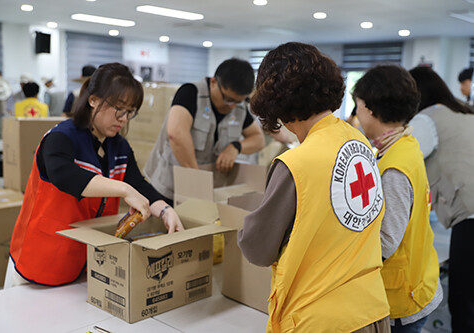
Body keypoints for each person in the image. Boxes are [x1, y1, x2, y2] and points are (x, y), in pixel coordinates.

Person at [238, 42, 390, 332]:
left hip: (320, 317)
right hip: (371, 309)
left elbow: (258, 248)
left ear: (275, 102)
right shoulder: (358, 141)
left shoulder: (296, 164)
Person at [6, 62, 184, 288]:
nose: (124, 118)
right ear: (93, 100)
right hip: (43, 259)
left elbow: (138, 183)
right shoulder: (61, 137)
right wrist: (124, 190)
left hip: (88, 261)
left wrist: (165, 210)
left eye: (130, 111)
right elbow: (65, 176)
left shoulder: (119, 147)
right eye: (119, 108)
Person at [353, 65, 442, 332]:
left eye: (357, 105)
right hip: (417, 280)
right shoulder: (405, 143)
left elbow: (386, 242)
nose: (356, 114)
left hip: (402, 296)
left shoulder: (394, 168)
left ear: (369, 108)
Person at [143, 58, 265, 205]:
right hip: (168, 185)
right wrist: (197, 180)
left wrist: (235, 147)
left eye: (237, 101)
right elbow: (176, 134)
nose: (232, 106)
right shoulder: (191, 93)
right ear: (213, 82)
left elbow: (258, 139)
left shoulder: (239, 107)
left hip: (203, 188)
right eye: (227, 99)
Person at [408, 66, 474, 332]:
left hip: (470, 217)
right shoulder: (465, 111)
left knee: (464, 304)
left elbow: (405, 161)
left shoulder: (426, 119)